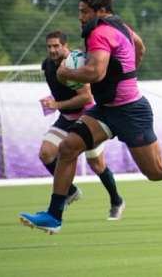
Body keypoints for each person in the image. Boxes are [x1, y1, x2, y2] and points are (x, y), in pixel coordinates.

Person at [19, 0, 162, 234]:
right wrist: (127, 73)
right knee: (68, 147)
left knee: (156, 171)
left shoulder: (99, 33)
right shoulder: (119, 25)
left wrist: (65, 73)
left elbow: (95, 73)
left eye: (84, 12)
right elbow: (139, 46)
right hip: (105, 110)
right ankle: (54, 215)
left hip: (131, 111)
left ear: (100, 11)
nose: (80, 17)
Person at [39, 30, 124, 220]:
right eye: (49, 46)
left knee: (96, 163)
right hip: (66, 118)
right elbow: (62, 93)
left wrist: (57, 105)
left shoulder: (75, 63)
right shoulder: (47, 65)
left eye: (56, 46)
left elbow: (86, 97)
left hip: (87, 117)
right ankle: (70, 191)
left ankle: (116, 200)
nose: (52, 50)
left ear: (64, 45)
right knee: (46, 153)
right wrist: (52, 101)